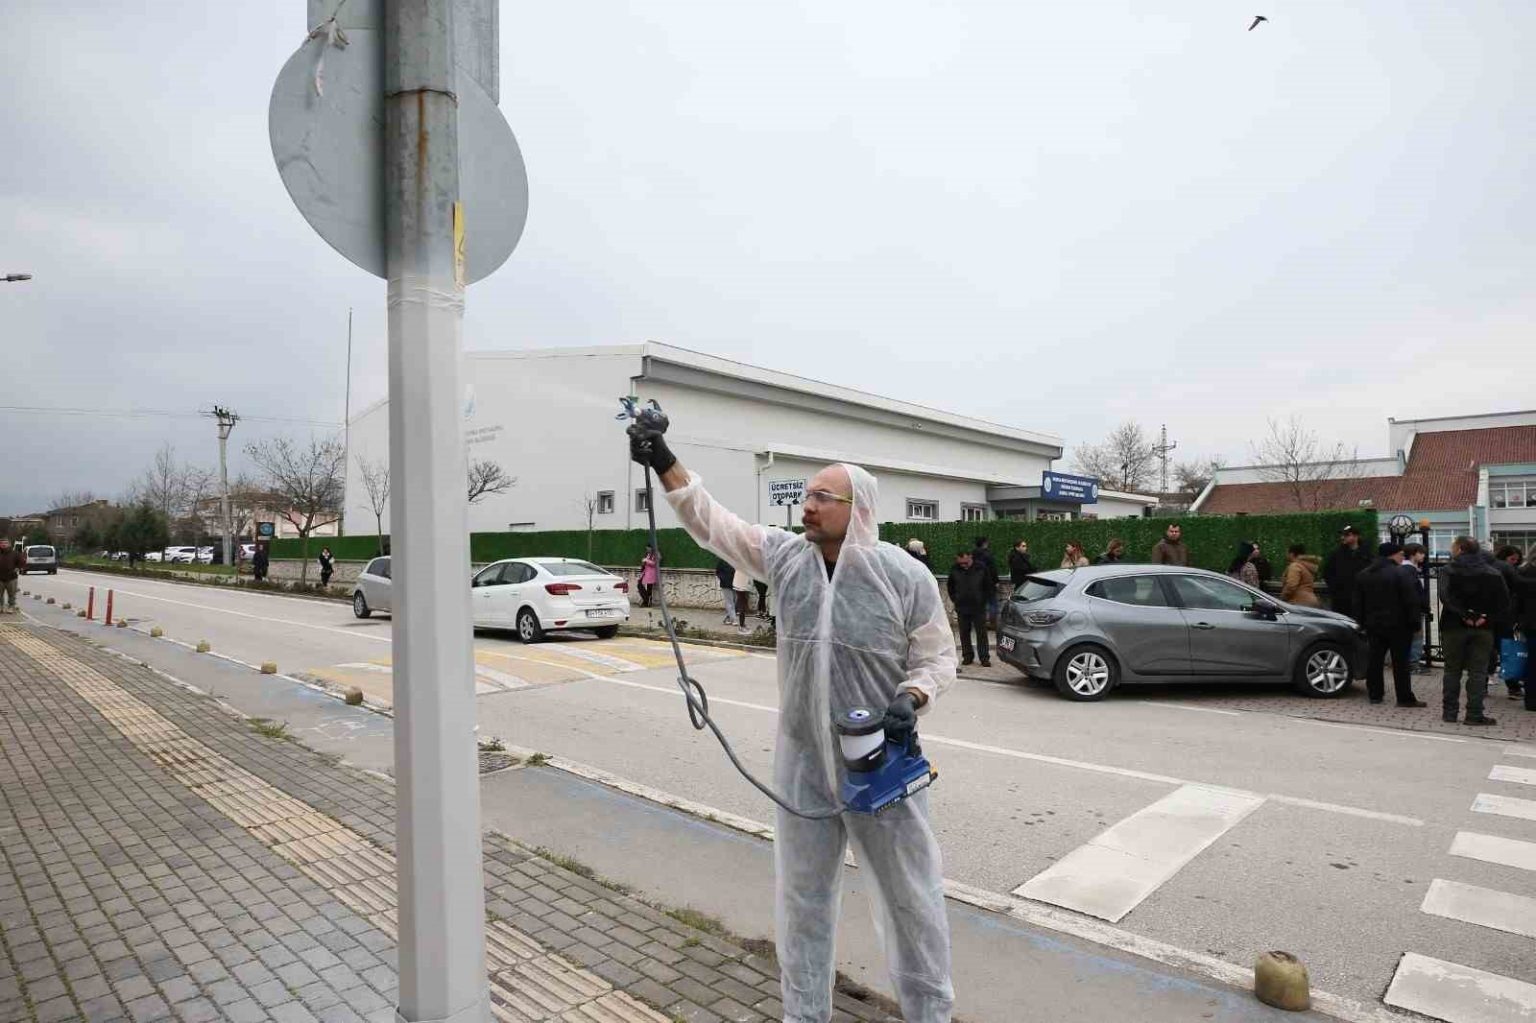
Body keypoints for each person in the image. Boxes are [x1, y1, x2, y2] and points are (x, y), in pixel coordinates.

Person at [629, 414, 956, 1023]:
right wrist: (664, 461)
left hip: (879, 768)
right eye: (806, 495)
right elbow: (713, 524)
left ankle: (929, 1014)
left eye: (822, 497)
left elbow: (937, 655)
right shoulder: (785, 558)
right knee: (803, 900)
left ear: (858, 509)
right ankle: (804, 1014)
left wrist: (912, 697)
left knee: (911, 900)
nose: (807, 506)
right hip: (804, 764)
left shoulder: (903, 575)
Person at [1439, 536, 1508, 726]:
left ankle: (1450, 713)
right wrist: (1485, 617)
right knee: (1478, 672)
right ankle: (1474, 714)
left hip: (1453, 626)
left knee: (1452, 670)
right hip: (1483, 628)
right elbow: (1503, 601)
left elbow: (1445, 597)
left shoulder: (1448, 570)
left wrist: (1464, 614)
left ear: (1460, 549)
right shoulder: (1493, 572)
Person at [1355, 542, 1426, 706]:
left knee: (1375, 660)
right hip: (1399, 625)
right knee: (1401, 663)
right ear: (1392, 554)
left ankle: (1375, 694)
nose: (1402, 557)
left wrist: (1362, 623)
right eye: (1401, 554)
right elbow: (1411, 600)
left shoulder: (1364, 574)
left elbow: (1358, 603)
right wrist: (1415, 623)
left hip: (1374, 625)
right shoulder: (1401, 573)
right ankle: (1404, 697)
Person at [1490, 545, 1532, 699]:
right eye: (1512, 559)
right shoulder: (1510, 571)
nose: (1514, 562)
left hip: (1491, 616)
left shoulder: (1491, 567)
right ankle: (1513, 687)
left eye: (1516, 560)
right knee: (1507, 651)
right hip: (1504, 617)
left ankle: (1481, 685)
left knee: (1490, 650)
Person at [947, 551, 991, 668]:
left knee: (981, 633)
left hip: (978, 607)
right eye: (961, 563)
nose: (963, 565)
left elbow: (988, 586)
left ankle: (984, 657)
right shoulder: (955, 569)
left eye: (965, 563)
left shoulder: (981, 568)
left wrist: (983, 600)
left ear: (970, 557)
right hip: (962, 606)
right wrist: (955, 599)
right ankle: (967, 656)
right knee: (964, 633)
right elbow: (950, 586)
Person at [1322, 525, 1372, 621]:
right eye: (1342, 535)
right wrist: (1336, 590)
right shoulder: (1336, 555)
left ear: (1356, 536)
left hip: (1362, 600)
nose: (1342, 537)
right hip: (1341, 600)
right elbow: (1327, 573)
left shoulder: (1367, 555)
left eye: (1346, 535)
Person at [1401, 543, 1431, 673]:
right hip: (1414, 610)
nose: (1424, 555)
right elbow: (1414, 592)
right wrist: (1423, 606)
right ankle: (1413, 664)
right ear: (1413, 554)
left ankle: (1410, 662)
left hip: (1408, 610)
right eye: (1421, 553)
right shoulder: (1410, 570)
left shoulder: (1406, 569)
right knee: (1416, 637)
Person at [971, 537, 1000, 630]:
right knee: (992, 603)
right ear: (984, 543)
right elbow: (993, 569)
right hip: (989, 582)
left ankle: (980, 623)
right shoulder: (988, 555)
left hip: (977, 582)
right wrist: (996, 581)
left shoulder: (972, 555)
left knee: (980, 604)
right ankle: (992, 623)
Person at [1519, 551, 1536, 711]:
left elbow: (1516, 599)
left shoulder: (1523, 572)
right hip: (1531, 622)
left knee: (1531, 661)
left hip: (1530, 623)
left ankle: (1531, 699)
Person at [0, 539, 24, 614]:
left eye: (5, 543)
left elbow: (22, 562)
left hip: (11, 577)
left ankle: (11, 607)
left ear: (9, 544)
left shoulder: (15, 553)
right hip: (0, 578)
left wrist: (18, 568)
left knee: (12, 594)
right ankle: (1, 607)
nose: (4, 544)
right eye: (2, 543)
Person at [714, 556, 737, 625]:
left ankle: (728, 618)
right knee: (730, 602)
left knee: (733, 601)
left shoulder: (735, 560)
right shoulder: (722, 560)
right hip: (726, 584)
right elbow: (718, 572)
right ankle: (733, 619)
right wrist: (723, 579)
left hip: (734, 584)